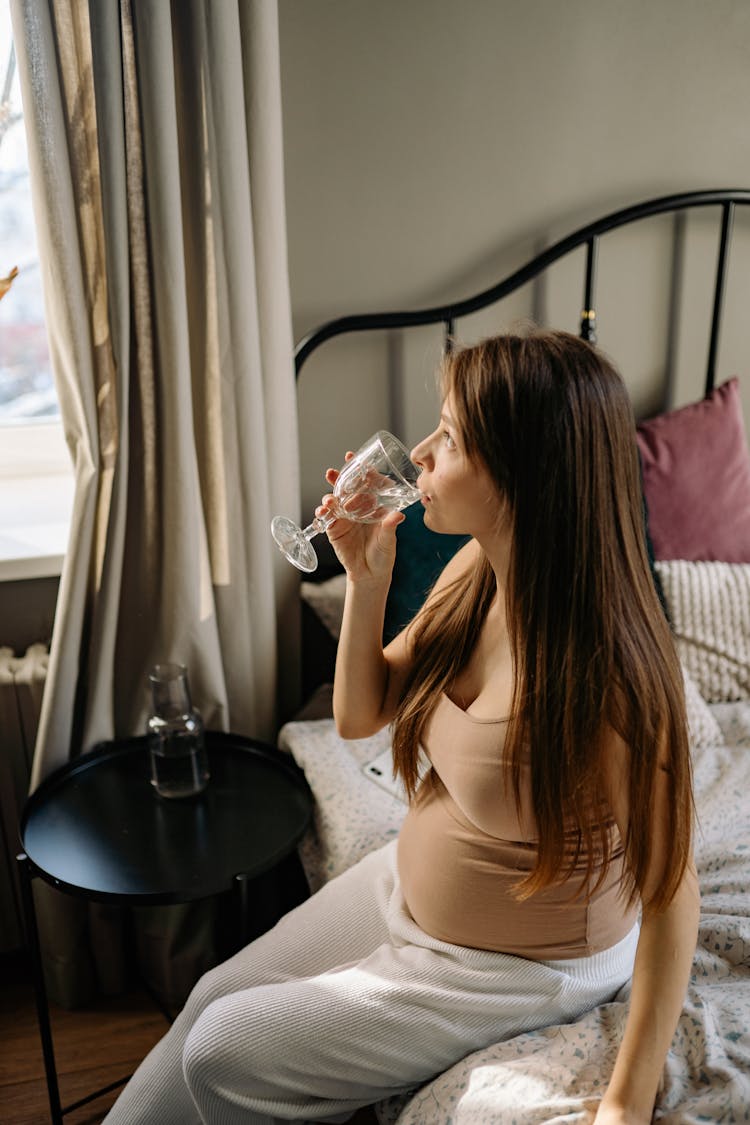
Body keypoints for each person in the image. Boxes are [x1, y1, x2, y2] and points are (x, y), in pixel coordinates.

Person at [105, 329, 698, 1125]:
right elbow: (360, 713)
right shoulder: (477, 569)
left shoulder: (609, 679)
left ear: (523, 474)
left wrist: (625, 1099)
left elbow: (671, 892)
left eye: (449, 436)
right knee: (212, 994)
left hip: (513, 966)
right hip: (407, 887)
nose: (419, 452)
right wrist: (367, 577)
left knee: (220, 1049)